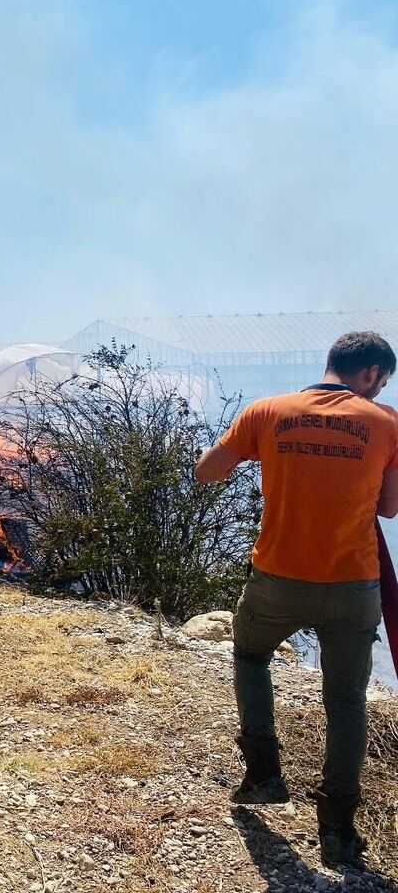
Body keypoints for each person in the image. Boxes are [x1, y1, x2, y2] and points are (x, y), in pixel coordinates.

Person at [194, 330, 398, 867]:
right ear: (373, 373)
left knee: (251, 655)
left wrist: (256, 451)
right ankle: (337, 831)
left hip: (277, 579)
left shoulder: (267, 412)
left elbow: (206, 471)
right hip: (353, 587)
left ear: (331, 362)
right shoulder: (388, 424)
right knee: (347, 703)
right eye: (382, 382)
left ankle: (263, 773)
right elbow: (391, 508)